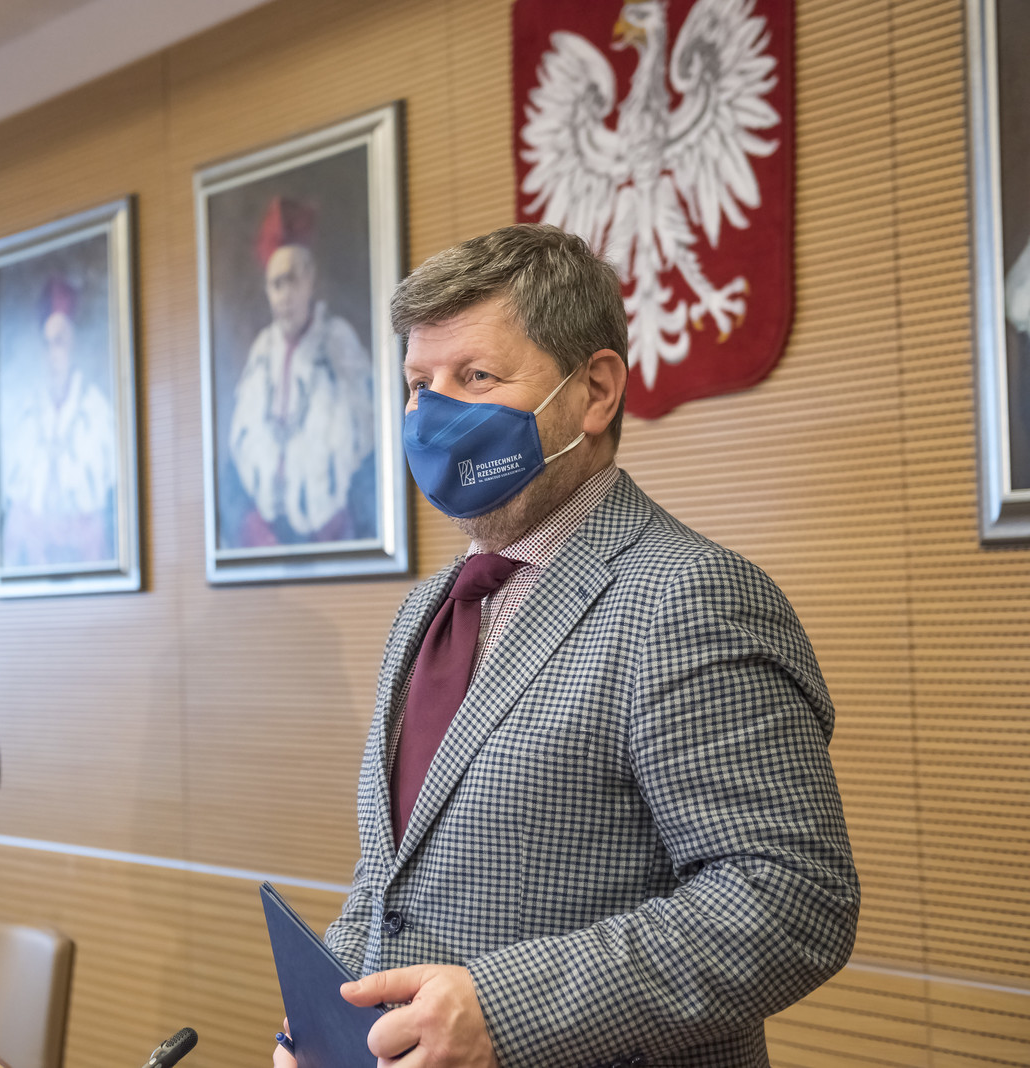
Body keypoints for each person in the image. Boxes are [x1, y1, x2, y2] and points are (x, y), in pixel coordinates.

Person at [273, 225, 858, 1067]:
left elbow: (791, 898)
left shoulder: (688, 596)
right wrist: (333, 1031)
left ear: (595, 391)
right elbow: (390, 883)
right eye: (418, 384)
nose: (433, 415)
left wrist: (503, 1012)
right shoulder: (425, 611)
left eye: (475, 377)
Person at [225, 195, 376, 547]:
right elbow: (241, 442)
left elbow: (366, 437)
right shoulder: (261, 352)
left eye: (292, 280)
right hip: (269, 528)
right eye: (275, 284)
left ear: (310, 280)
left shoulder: (338, 342)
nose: (284, 295)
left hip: (331, 524)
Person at [0, 274, 118, 566]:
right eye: (46, 344)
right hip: (36, 550)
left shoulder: (98, 410)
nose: (52, 354)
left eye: (60, 342)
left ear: (74, 343)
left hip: (86, 546)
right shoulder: (26, 413)